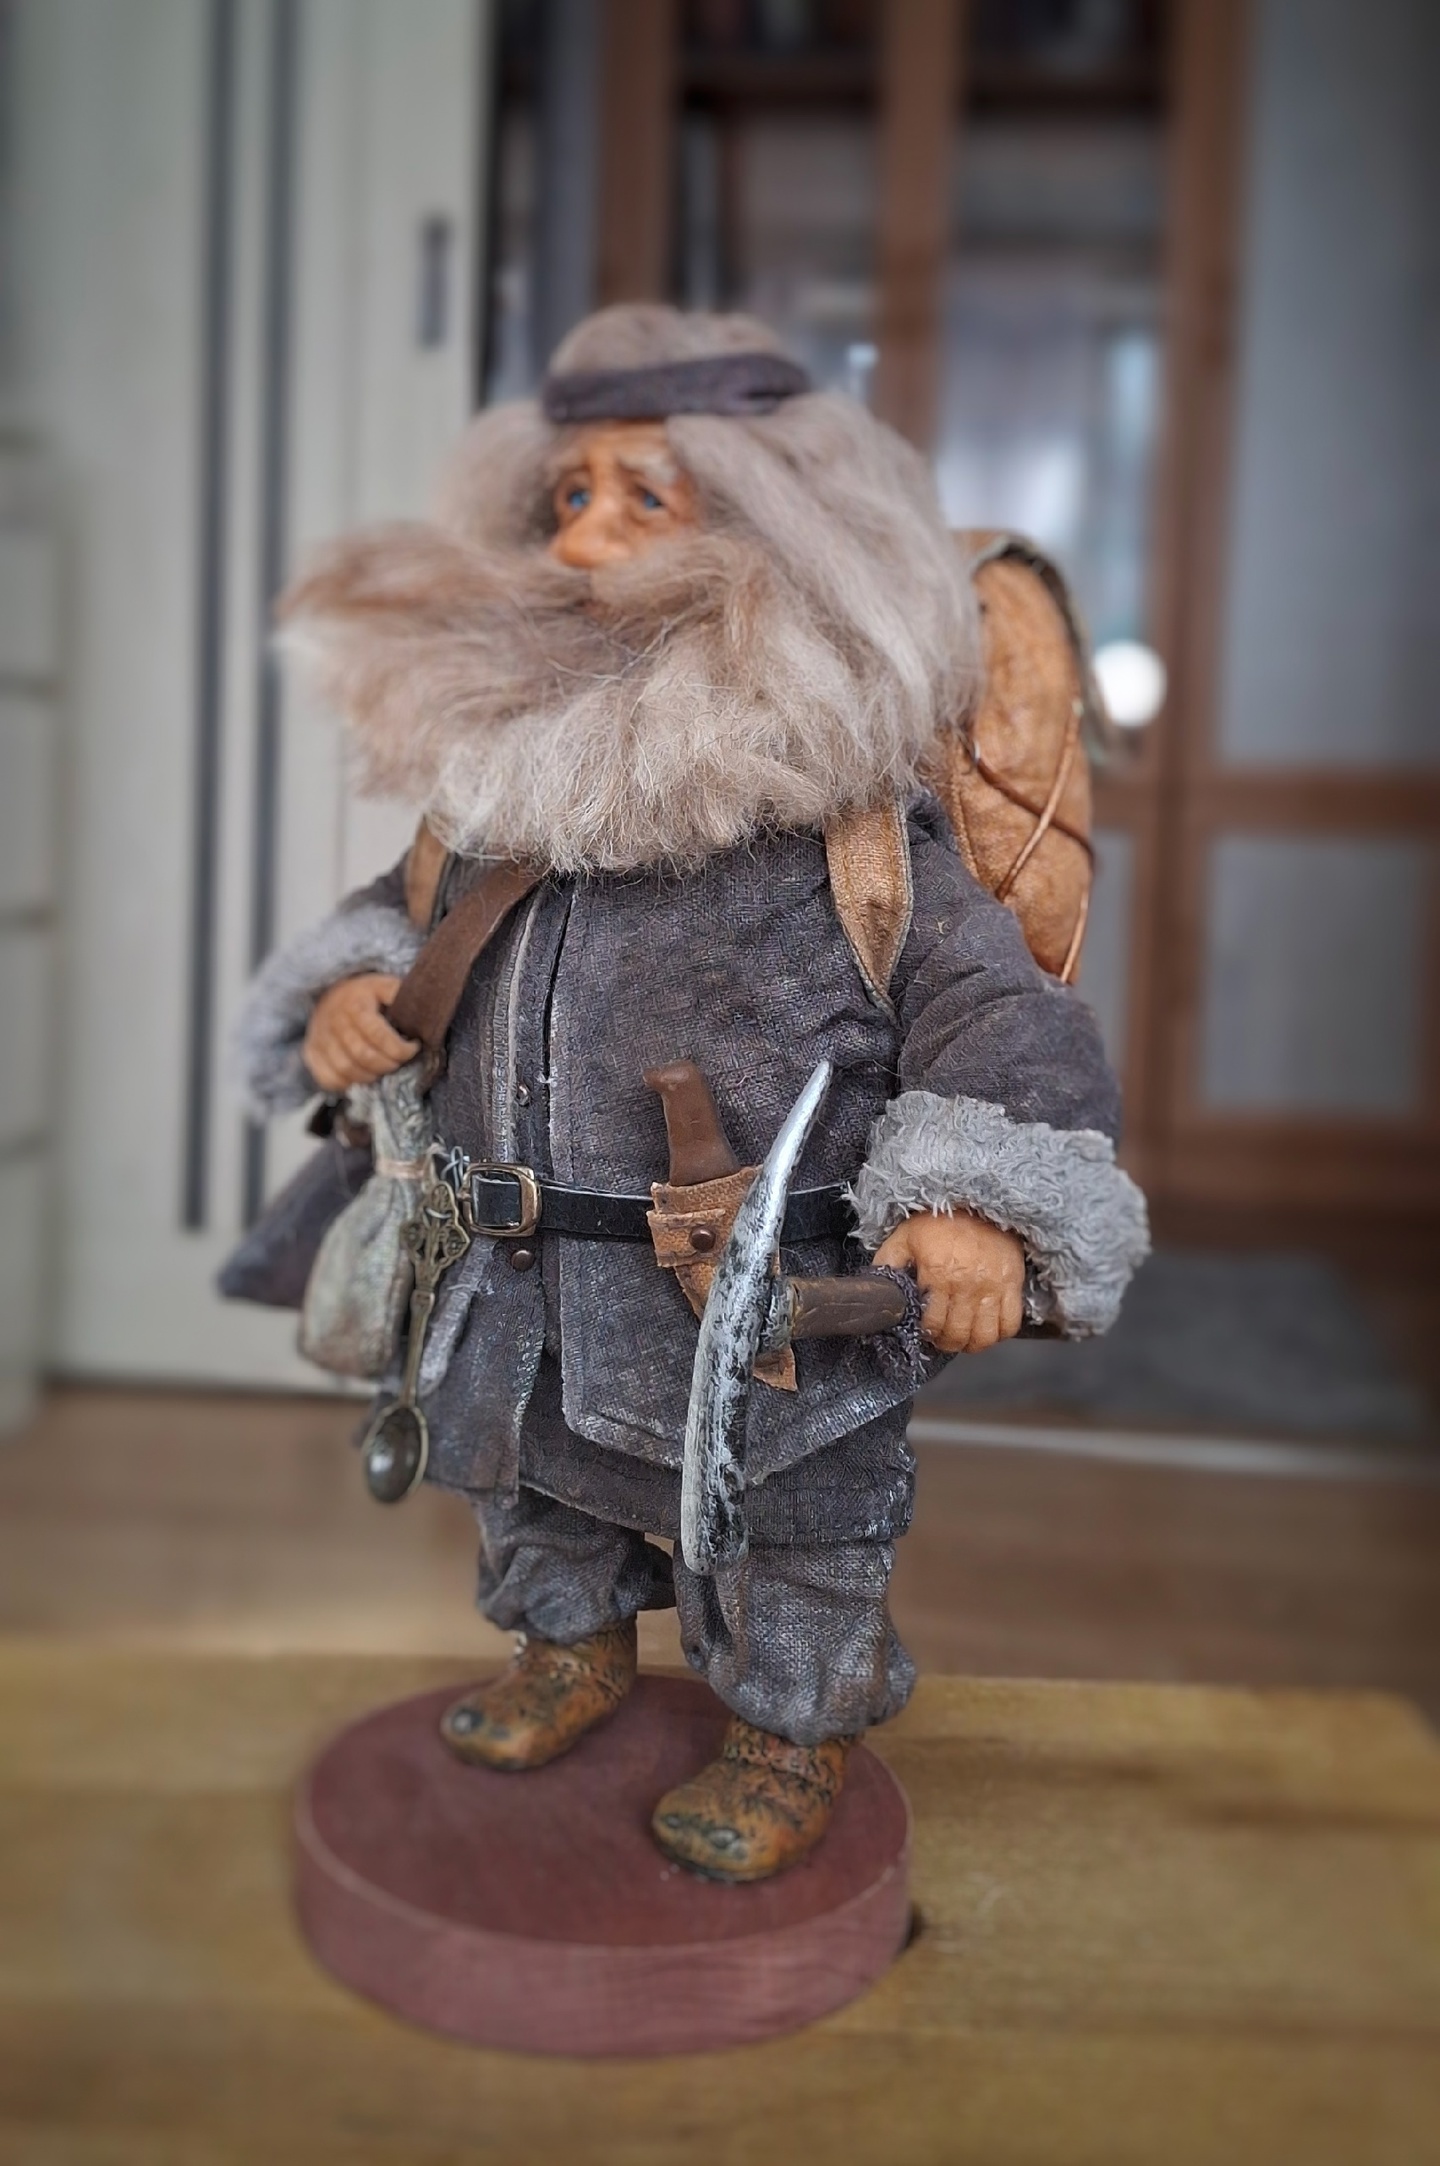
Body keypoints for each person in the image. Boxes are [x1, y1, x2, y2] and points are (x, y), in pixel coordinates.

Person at [238, 303, 1147, 1882]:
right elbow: (404, 912)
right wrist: (343, 996)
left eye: (644, 497)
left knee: (796, 1527)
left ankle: (793, 1729)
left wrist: (977, 1202)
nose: (584, 537)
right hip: (519, 1270)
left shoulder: (853, 830)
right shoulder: (499, 795)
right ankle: (565, 1645)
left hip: (756, 1297)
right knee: (529, 1482)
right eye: (568, 495)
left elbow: (993, 1010)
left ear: (789, 543)